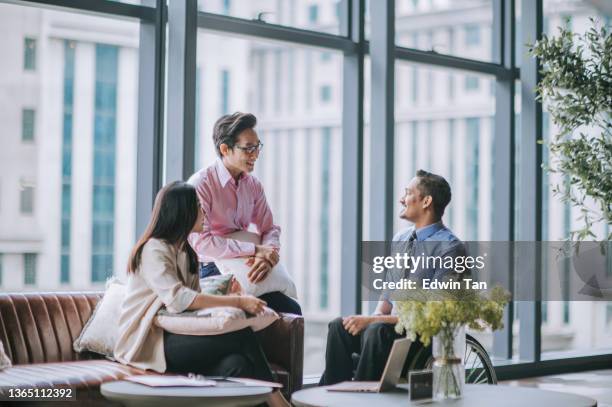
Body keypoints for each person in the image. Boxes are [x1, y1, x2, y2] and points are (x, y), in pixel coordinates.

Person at [114, 181, 289, 406]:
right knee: (242, 336)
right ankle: (279, 402)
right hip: (149, 340)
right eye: (198, 204)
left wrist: (229, 292)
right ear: (182, 211)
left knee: (238, 365)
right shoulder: (153, 249)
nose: (204, 210)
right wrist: (237, 302)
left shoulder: (187, 252)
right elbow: (179, 300)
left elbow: (194, 306)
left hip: (176, 334)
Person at [319, 170, 466, 385]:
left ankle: (361, 401)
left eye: (407, 193)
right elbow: (386, 299)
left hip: (421, 338)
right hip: (388, 330)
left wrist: (373, 322)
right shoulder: (401, 239)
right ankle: (330, 397)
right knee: (339, 327)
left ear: (426, 201)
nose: (401, 199)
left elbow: (430, 316)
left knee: (377, 330)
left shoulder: (450, 248)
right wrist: (372, 320)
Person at [188, 112, 301, 315]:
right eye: (249, 148)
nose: (255, 154)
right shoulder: (201, 185)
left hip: (244, 263)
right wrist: (255, 250)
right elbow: (201, 243)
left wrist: (268, 256)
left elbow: (269, 228)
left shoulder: (253, 185)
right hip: (210, 268)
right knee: (245, 317)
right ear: (225, 149)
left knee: (291, 311)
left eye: (257, 146)